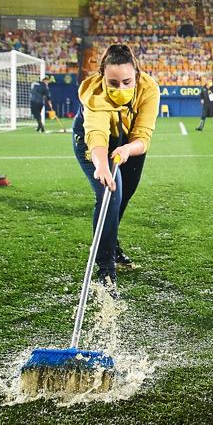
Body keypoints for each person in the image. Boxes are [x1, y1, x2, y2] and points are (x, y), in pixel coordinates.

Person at [72, 44, 160, 288]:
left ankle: (111, 243)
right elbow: (97, 135)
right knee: (110, 194)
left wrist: (126, 149)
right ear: (103, 77)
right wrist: (101, 164)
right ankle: (106, 267)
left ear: (137, 76)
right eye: (113, 83)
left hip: (130, 143)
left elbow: (143, 136)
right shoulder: (94, 95)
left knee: (124, 195)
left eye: (126, 82)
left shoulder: (149, 89)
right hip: (93, 143)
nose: (120, 88)